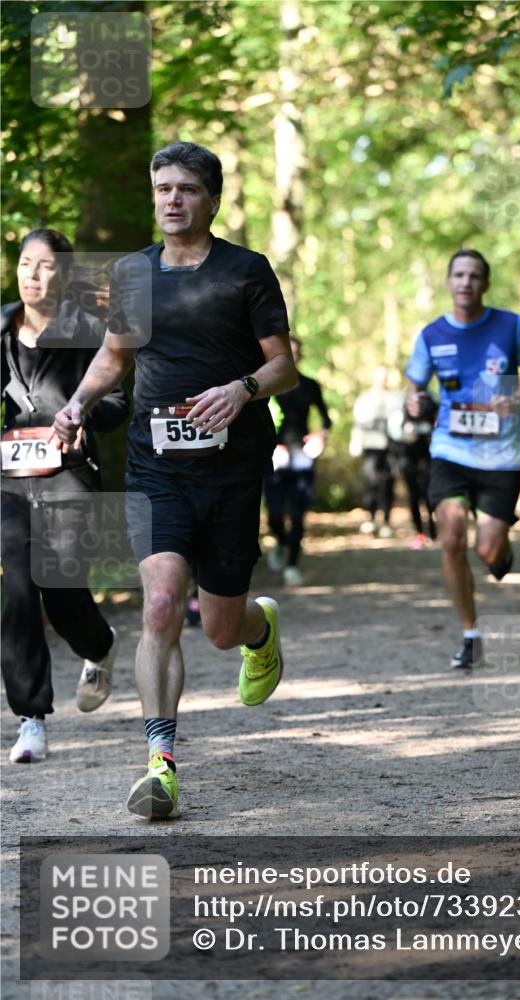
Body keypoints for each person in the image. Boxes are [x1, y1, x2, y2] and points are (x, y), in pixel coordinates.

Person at [52, 142, 296, 819]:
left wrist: (242, 388)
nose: (171, 199)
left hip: (232, 468)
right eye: (162, 187)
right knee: (160, 603)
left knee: (218, 627)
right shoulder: (132, 273)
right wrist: (76, 403)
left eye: (186, 188)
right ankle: (160, 764)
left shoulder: (246, 272)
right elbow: (114, 355)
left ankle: (257, 630)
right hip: (156, 467)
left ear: (211, 199)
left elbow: (284, 368)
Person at [1, 229, 129, 762]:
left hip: (70, 471)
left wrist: (84, 414)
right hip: (10, 476)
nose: (32, 275)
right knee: (19, 589)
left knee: (62, 585)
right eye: (26, 264)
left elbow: (119, 403)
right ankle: (30, 718)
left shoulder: (90, 332)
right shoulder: (1, 328)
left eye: (45, 266)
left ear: (65, 275)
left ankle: (98, 645)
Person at [405, 249, 520, 669]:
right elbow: (413, 386)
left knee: (487, 550)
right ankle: (471, 632)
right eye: (459, 275)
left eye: (475, 276)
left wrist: (516, 397)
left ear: (486, 284)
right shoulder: (432, 334)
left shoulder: (512, 325)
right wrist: (413, 401)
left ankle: (499, 552)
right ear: (449, 282)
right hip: (451, 450)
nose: (466, 282)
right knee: (450, 536)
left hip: (501, 455)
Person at [264, 335, 331, 586]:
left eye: (296, 353)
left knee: (298, 513)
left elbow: (326, 418)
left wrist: (320, 436)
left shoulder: (310, 385)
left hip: (302, 456)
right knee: (274, 515)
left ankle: (293, 565)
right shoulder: (265, 385)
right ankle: (281, 541)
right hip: (274, 456)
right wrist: (269, 447)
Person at [349, 366, 401, 538]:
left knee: (388, 483)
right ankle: (370, 518)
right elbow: (358, 424)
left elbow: (400, 423)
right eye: (379, 376)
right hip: (371, 446)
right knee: (370, 481)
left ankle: (386, 521)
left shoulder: (395, 398)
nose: (382, 380)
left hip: (390, 448)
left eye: (385, 377)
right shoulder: (365, 398)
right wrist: (355, 443)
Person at [387, 389, 438, 549]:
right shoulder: (400, 407)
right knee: (413, 496)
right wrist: (406, 433)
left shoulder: (432, 402)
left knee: (428, 494)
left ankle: (433, 531)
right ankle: (420, 533)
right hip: (407, 459)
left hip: (426, 458)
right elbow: (394, 432)